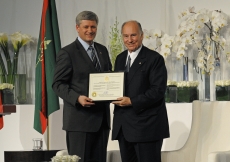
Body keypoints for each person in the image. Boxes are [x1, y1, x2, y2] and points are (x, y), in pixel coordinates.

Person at [52, 11, 112, 162]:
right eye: (86, 27)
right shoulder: (67, 52)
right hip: (79, 121)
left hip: (102, 121)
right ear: (77, 27)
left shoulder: (102, 50)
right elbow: (57, 84)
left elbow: (108, 77)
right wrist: (77, 98)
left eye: (93, 27)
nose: (90, 30)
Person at [112, 20, 170, 162]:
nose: (129, 40)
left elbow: (157, 91)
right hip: (124, 128)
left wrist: (132, 101)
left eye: (133, 35)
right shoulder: (120, 59)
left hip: (147, 128)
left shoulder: (154, 59)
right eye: (126, 36)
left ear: (142, 35)